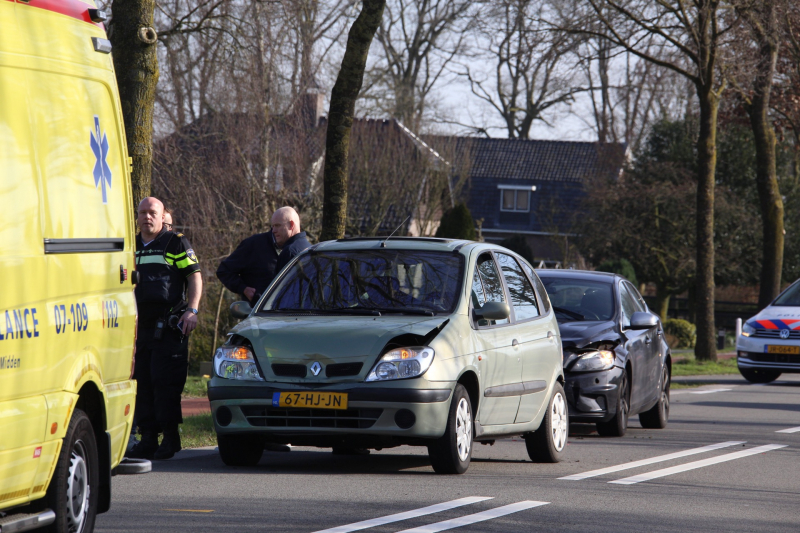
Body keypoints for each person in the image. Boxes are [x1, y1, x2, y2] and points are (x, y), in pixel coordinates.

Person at [128, 197, 203, 461]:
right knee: (142, 382)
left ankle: (171, 437)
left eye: (152, 213)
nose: (147, 217)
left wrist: (191, 310)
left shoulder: (175, 242)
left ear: (162, 217)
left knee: (165, 382)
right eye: (142, 213)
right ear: (136, 217)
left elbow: (194, 276)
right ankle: (148, 438)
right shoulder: (131, 245)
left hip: (169, 324)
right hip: (138, 326)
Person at [216, 228, 280, 307]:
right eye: (276, 225)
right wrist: (243, 288)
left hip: (291, 313)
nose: (275, 230)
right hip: (258, 312)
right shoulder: (254, 244)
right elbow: (224, 270)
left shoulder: (296, 247)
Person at [272, 206, 311, 273]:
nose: (273, 231)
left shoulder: (289, 252)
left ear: (291, 225)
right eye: (273, 226)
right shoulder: (310, 247)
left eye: (277, 225)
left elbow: (285, 283)